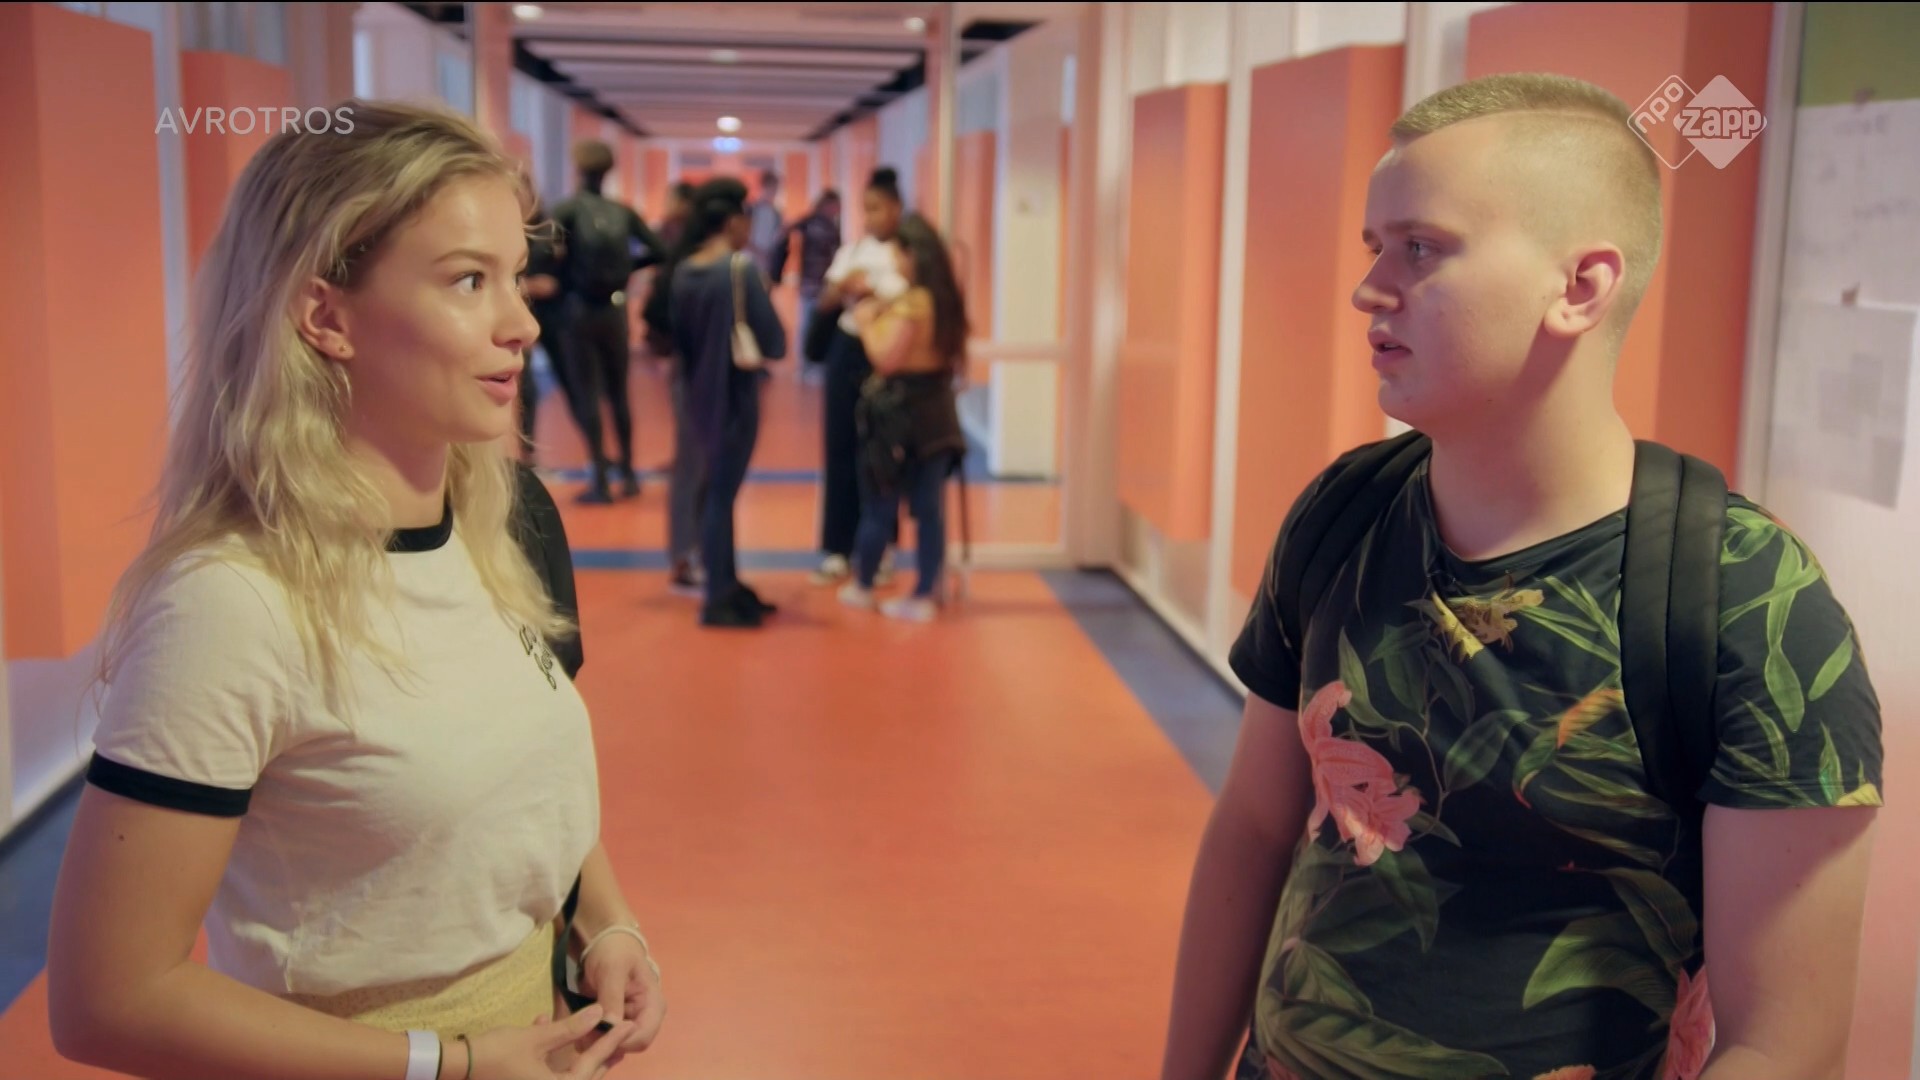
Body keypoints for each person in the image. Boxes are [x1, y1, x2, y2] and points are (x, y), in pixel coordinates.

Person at [1161, 73, 1884, 1080]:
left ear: (1579, 287)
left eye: (1422, 247)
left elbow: (1784, 1042)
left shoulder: (1749, 601)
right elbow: (1254, 826)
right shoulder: (1345, 512)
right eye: (1375, 248)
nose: (1370, 289)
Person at [46, 99, 667, 1080]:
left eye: (515, 276)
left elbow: (528, 784)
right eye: (468, 281)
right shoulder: (232, 604)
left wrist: (607, 923)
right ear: (325, 316)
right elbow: (107, 1001)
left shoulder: (508, 522)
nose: (521, 322)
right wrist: (450, 1063)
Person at [668, 178, 789, 629]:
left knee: (712, 491)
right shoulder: (740, 270)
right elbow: (775, 343)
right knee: (721, 495)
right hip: (735, 397)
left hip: (696, 397)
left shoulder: (684, 272)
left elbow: (678, 339)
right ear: (734, 222)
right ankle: (719, 595)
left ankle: (726, 581)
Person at [837, 214, 970, 622]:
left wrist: (866, 322)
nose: (893, 261)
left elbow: (886, 357)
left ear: (912, 254)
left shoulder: (914, 304)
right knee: (929, 509)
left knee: (881, 501)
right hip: (936, 412)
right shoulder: (944, 302)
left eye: (897, 253)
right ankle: (927, 590)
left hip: (901, 416)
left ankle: (864, 586)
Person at [551, 140, 667, 505]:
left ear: (578, 169)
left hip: (579, 310)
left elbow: (544, 254)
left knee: (587, 393)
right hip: (614, 310)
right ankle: (629, 475)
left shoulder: (567, 210)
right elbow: (659, 250)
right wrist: (625, 271)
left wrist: (566, 275)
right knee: (619, 394)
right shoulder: (621, 212)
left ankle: (600, 479)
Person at [811, 167, 909, 587]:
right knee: (839, 447)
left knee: (882, 454)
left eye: (877, 209)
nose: (869, 217)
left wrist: (875, 293)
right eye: (865, 209)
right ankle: (837, 547)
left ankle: (880, 546)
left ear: (896, 209)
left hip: (885, 353)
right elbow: (825, 300)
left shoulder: (907, 254)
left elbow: (912, 300)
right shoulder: (852, 251)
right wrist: (843, 288)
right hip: (847, 350)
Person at [789, 189, 843, 385]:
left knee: (808, 325)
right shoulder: (826, 227)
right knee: (812, 325)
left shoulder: (808, 222)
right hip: (817, 283)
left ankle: (806, 365)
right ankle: (810, 365)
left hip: (812, 283)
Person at [746, 169, 787, 282]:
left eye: (775, 189)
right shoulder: (750, 209)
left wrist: (781, 235)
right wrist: (758, 253)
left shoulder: (776, 213)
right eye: (771, 188)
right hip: (749, 261)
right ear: (762, 187)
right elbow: (742, 236)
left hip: (767, 264)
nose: (773, 193)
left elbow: (775, 239)